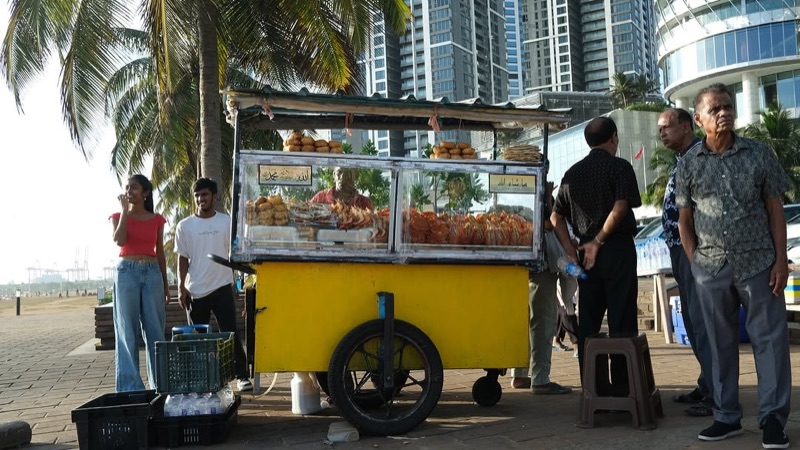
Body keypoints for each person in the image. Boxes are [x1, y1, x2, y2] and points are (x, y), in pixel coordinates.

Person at [676, 83, 792, 448]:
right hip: (710, 268)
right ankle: (726, 417)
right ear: (699, 119)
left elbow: (775, 209)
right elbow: (684, 218)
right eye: (715, 109)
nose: (724, 112)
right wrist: (695, 262)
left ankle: (773, 420)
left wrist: (780, 260)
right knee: (718, 344)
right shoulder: (689, 164)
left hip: (758, 262)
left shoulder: (758, 155)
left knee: (770, 342)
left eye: (728, 106)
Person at [551, 116, 641, 393]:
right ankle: (624, 390)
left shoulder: (572, 174)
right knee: (622, 320)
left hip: (584, 258)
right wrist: (600, 241)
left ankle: (594, 390)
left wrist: (572, 250)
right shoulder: (619, 167)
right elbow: (622, 207)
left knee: (589, 323)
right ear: (613, 137)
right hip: (616, 250)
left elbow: (555, 217)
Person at [657, 108, 714, 417]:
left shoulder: (699, 157)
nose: (662, 133)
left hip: (695, 249)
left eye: (667, 127)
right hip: (680, 251)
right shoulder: (682, 159)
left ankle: (717, 394)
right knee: (694, 321)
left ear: (686, 125)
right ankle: (708, 384)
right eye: (660, 129)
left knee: (704, 323)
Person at [175, 178, 253, 392]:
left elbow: (237, 252)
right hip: (195, 291)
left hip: (222, 287)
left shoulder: (227, 222)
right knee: (198, 340)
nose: (201, 199)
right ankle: (200, 379)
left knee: (230, 334)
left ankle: (242, 376)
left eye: (205, 194)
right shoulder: (185, 226)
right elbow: (182, 258)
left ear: (214, 196)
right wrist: (181, 287)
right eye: (198, 195)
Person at [509, 182, 574, 394]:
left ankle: (519, 375)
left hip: (517, 262)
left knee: (522, 319)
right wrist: (547, 197)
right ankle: (540, 378)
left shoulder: (513, 192)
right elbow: (549, 223)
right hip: (542, 263)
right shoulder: (537, 192)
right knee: (543, 320)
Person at [109, 174, 169, 392]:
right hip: (127, 273)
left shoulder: (157, 219)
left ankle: (159, 386)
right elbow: (119, 240)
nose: (129, 191)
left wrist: (164, 283)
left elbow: (160, 253)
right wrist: (125, 212)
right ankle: (130, 389)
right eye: (127, 187)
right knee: (127, 330)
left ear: (145, 193)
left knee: (155, 330)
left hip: (152, 272)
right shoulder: (117, 215)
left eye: (134, 187)